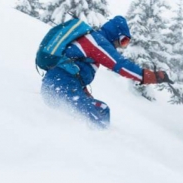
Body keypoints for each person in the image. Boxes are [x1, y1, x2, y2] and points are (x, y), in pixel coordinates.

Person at [41, 15, 172, 127]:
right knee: (99, 112)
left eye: (125, 43)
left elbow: (74, 71)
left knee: (94, 112)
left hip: (56, 85)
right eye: (123, 41)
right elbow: (121, 65)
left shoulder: (92, 44)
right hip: (61, 85)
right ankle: (102, 143)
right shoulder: (96, 41)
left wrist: (84, 93)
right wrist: (152, 76)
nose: (120, 46)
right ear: (115, 34)